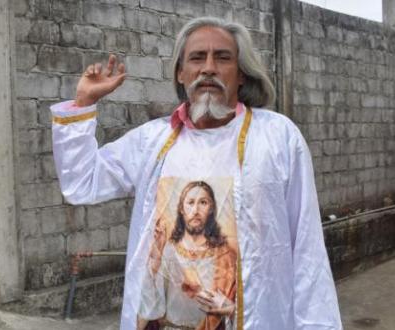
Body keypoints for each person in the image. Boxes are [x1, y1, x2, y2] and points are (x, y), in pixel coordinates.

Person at [50, 16, 342, 330]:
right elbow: (82, 182)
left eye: (223, 57)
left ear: (241, 73)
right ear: (181, 71)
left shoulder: (277, 138)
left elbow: (307, 248)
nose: (209, 68)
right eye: (197, 58)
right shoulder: (152, 140)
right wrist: (83, 103)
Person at [139, 181, 237, 329]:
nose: (196, 210)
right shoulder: (169, 250)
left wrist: (230, 307)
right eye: (190, 202)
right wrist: (154, 264)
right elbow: (151, 304)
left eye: (203, 202)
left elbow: (241, 310)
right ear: (182, 209)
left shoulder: (225, 256)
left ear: (211, 208)